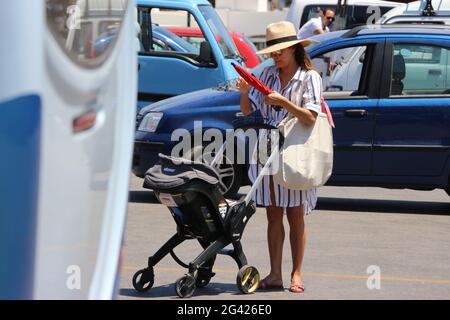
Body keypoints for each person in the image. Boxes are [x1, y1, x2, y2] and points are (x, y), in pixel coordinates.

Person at [237, 21, 322, 293]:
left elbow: (311, 117)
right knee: (273, 215)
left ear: (295, 48)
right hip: (268, 150)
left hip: (295, 150)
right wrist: (244, 93)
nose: (275, 56)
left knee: (296, 214)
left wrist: (284, 103)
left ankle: (296, 273)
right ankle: (275, 274)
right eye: (272, 51)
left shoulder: (311, 78)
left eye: (280, 50)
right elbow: (249, 112)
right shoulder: (270, 76)